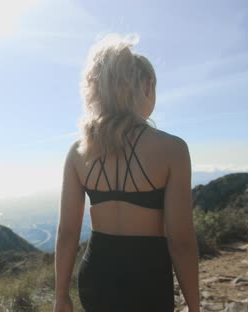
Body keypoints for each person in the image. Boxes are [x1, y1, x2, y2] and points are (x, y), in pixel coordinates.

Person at [53, 33, 200, 312]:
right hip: (147, 279)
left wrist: (61, 295)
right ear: (146, 86)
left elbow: (67, 232)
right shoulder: (172, 149)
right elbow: (181, 240)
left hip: (96, 275)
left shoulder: (78, 151)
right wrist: (194, 306)